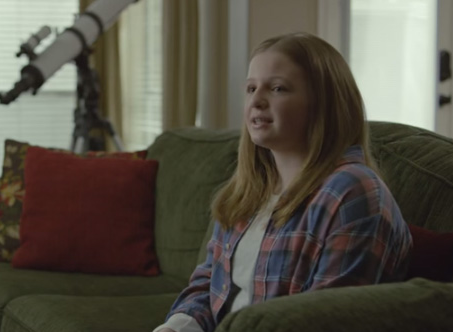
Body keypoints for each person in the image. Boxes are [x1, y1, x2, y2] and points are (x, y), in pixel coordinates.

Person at [153, 32, 413, 332]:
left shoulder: (352, 192)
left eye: (277, 88)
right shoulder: (247, 192)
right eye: (251, 88)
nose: (257, 101)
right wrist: (175, 327)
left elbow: (326, 319)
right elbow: (208, 286)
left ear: (323, 103)